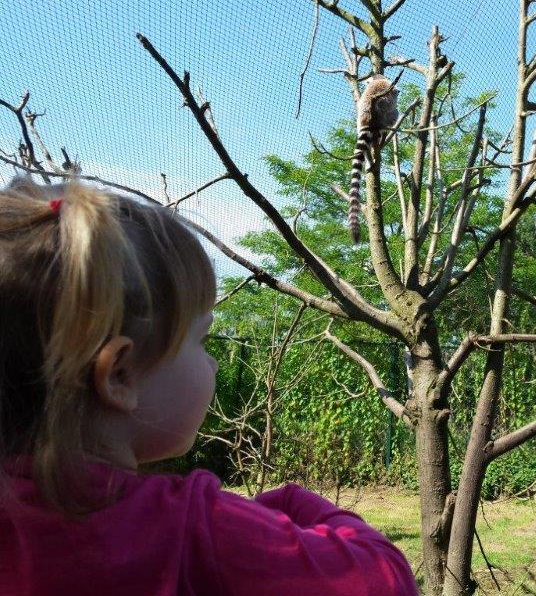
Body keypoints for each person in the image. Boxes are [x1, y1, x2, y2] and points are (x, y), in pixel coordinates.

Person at [0, 179, 417, 595]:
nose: (213, 362)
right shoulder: (192, 529)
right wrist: (293, 502)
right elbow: (385, 578)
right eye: (201, 340)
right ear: (120, 375)